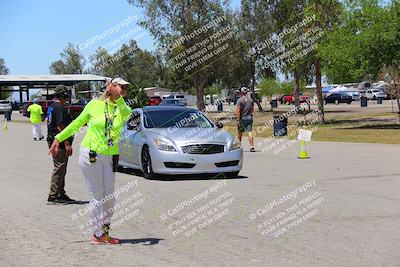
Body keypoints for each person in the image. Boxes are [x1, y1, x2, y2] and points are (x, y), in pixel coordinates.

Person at [49, 77, 132, 245]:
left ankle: (106, 233)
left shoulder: (122, 108)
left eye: (124, 88)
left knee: (110, 197)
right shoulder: (93, 105)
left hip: (111, 155)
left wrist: (119, 97)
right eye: (119, 86)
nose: (122, 90)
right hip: (91, 154)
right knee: (97, 196)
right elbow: (77, 124)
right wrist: (58, 138)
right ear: (109, 87)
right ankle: (97, 234)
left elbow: (127, 115)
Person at [47, 85, 76, 204]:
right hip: (59, 142)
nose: (67, 98)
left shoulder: (53, 106)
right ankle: (53, 195)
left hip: (54, 140)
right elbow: (60, 126)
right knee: (59, 168)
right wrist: (67, 143)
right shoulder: (59, 107)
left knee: (61, 168)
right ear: (63, 95)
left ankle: (60, 193)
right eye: (66, 95)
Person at [236, 87, 255, 152]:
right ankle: (252, 146)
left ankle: (238, 147)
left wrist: (238, 120)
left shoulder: (239, 100)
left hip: (242, 119)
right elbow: (252, 110)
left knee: (240, 133)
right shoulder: (251, 100)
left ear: (241, 93)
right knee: (249, 132)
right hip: (249, 118)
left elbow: (238, 111)